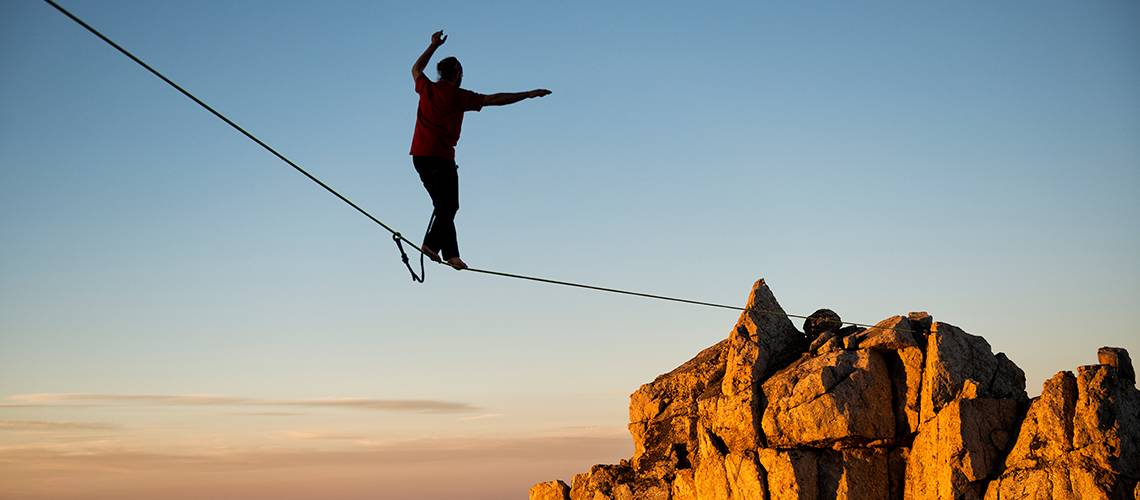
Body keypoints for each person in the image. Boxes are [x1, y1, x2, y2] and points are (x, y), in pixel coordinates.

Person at [410, 30, 551, 270]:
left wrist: (433, 45)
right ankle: (431, 244)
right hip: (441, 158)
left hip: (420, 157)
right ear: (457, 74)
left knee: (444, 206)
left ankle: (451, 254)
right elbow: (494, 99)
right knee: (449, 206)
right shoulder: (458, 96)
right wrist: (527, 94)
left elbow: (416, 68)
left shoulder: (427, 88)